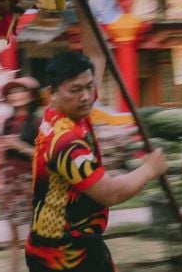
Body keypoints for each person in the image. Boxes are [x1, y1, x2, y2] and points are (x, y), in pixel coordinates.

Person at [24, 51, 168, 272]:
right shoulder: (66, 142)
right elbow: (109, 193)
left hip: (78, 243)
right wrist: (149, 169)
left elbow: (96, 56)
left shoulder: (62, 112)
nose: (86, 96)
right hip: (63, 254)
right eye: (75, 90)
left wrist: (85, 15)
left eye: (89, 87)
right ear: (52, 93)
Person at [0, 76, 42, 272]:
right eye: (12, 92)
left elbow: (44, 156)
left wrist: (20, 146)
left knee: (35, 234)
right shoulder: (7, 123)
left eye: (21, 91)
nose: (16, 96)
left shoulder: (38, 122)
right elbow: (2, 156)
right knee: (13, 234)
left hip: (30, 182)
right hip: (10, 181)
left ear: (31, 96)